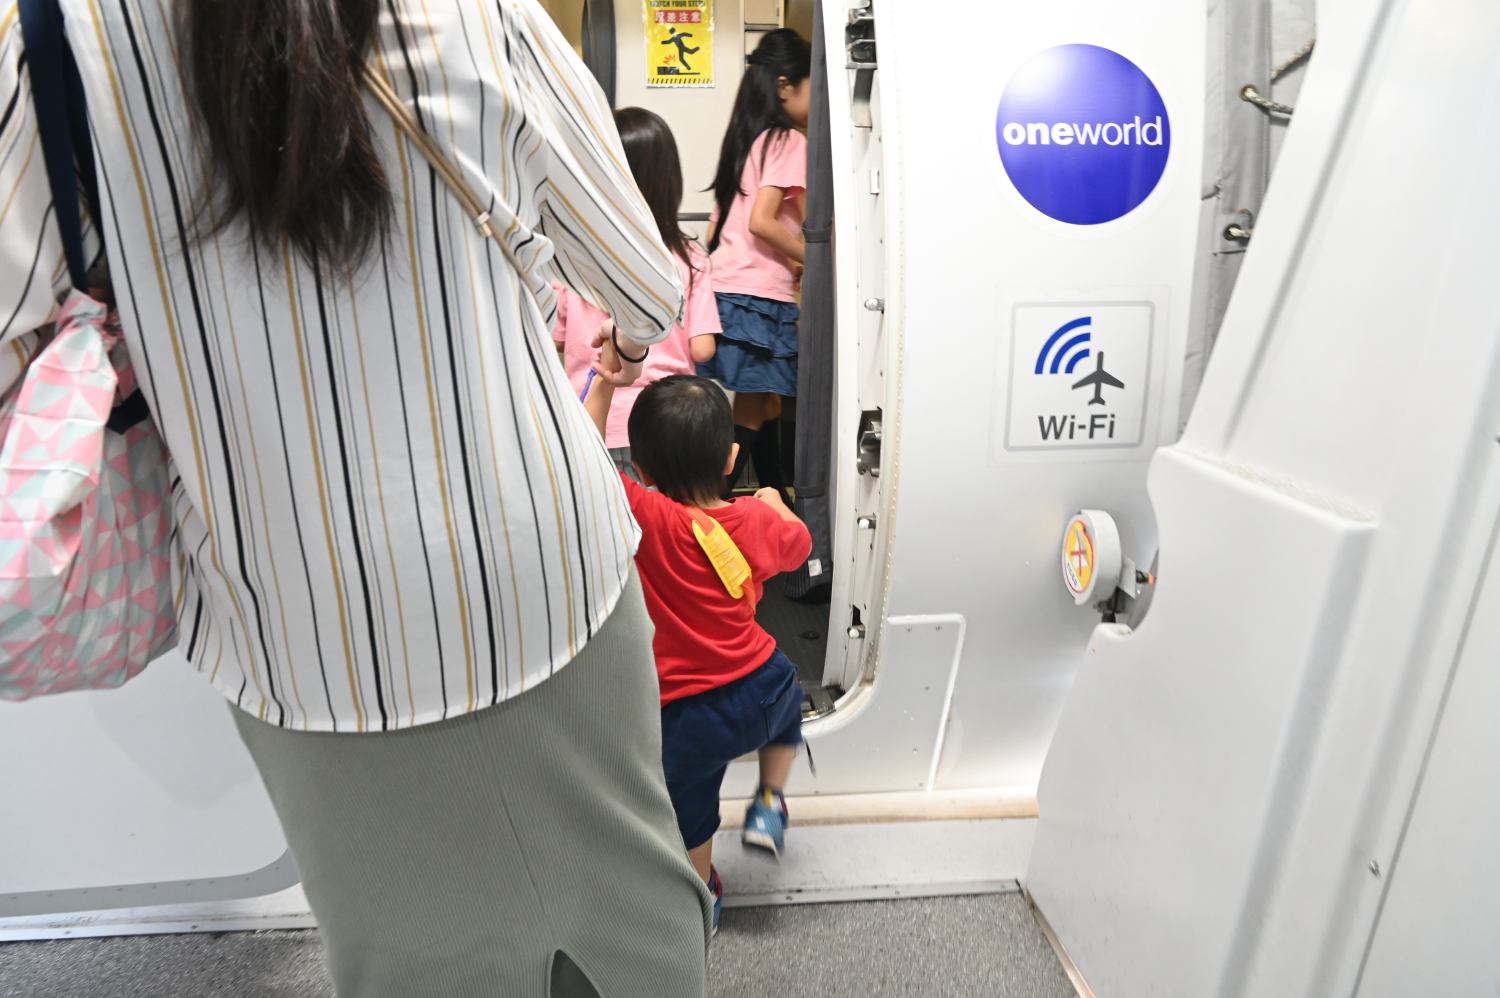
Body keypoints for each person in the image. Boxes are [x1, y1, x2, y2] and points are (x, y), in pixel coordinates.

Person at [0, 2, 709, 995]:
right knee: (632, 925)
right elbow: (643, 283)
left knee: (401, 954)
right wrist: (614, 344)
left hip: (293, 627)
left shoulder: (57, 37)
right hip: (545, 570)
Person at [584, 336, 812, 935]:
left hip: (687, 714)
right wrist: (774, 503)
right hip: (763, 687)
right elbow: (800, 546)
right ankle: (770, 800)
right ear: (731, 459)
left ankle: (703, 898)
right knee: (787, 715)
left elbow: (584, 456)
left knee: (693, 813)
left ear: (642, 470)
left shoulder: (646, 518)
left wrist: (605, 382)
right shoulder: (754, 519)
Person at [553, 107, 719, 480]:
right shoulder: (689, 259)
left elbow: (558, 338)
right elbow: (702, 348)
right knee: (663, 515)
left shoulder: (571, 257)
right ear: (669, 180)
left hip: (593, 419)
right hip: (667, 425)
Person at [698, 28, 812, 498]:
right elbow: (762, 222)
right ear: (785, 85)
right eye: (812, 87)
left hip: (729, 288)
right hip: (756, 296)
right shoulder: (787, 140)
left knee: (766, 403)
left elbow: (714, 232)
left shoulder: (747, 139)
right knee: (751, 407)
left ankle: (774, 494)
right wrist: (813, 259)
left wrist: (790, 258)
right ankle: (708, 504)